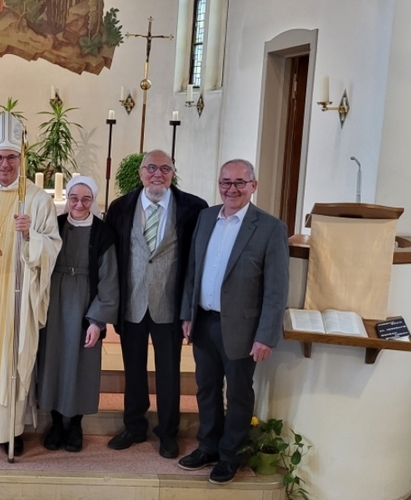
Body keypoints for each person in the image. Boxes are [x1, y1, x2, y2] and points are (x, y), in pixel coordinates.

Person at [177, 159, 289, 485]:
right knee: (206, 389)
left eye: (240, 182)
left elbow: (276, 289)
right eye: (226, 182)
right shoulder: (206, 217)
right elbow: (193, 271)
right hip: (204, 322)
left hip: (243, 328)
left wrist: (266, 335)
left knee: (238, 393)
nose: (232, 189)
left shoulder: (270, 228)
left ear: (253, 186)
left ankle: (230, 455)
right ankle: (208, 446)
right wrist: (187, 313)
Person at [0, 111, 61, 456]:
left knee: (11, 356)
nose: (5, 164)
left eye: (11, 157)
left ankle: (10, 431)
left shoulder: (37, 199)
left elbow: (53, 246)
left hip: (17, 297)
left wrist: (30, 234)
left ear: (21, 158)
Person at [104, 149, 208, 459]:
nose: (157, 174)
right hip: (132, 302)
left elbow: (195, 262)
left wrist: (191, 308)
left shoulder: (193, 207)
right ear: (141, 172)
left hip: (170, 305)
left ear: (173, 173)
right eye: (151, 168)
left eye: (165, 168)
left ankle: (167, 432)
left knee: (169, 371)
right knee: (132, 368)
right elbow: (112, 258)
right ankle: (134, 426)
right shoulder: (120, 207)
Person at [36, 175, 118, 453]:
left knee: (82, 360)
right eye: (74, 198)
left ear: (93, 201)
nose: (79, 204)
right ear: (66, 199)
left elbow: (109, 278)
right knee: (53, 358)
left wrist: (97, 320)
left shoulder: (103, 233)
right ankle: (57, 423)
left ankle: (76, 425)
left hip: (85, 301)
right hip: (53, 300)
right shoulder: (55, 225)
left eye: (85, 199)